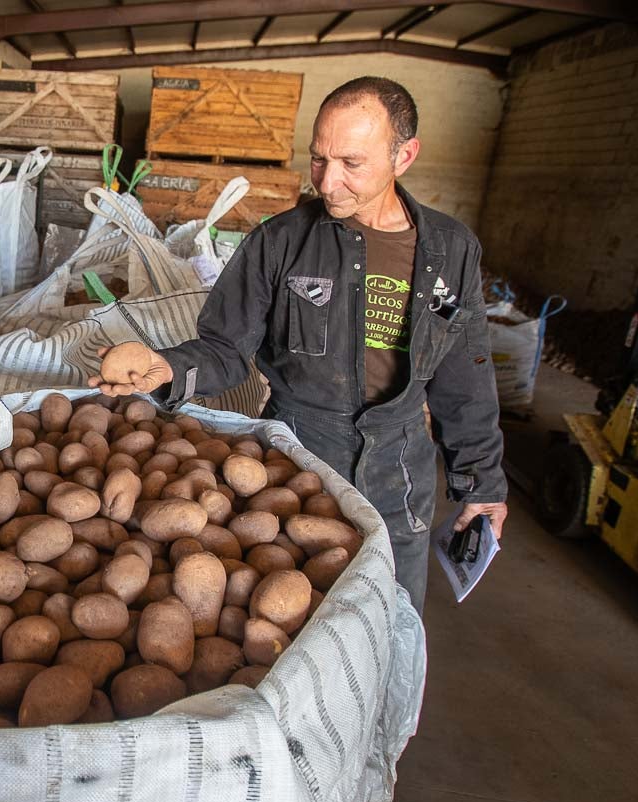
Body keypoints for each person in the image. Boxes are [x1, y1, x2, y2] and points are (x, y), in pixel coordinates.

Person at [89, 76, 507, 608]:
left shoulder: (451, 250)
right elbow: (224, 348)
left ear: (404, 155)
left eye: (351, 163)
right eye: (318, 160)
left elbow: (463, 378)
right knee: (291, 613)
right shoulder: (280, 241)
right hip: (298, 453)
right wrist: (166, 366)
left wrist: (481, 484)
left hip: (399, 471)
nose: (328, 183)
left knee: (390, 617)